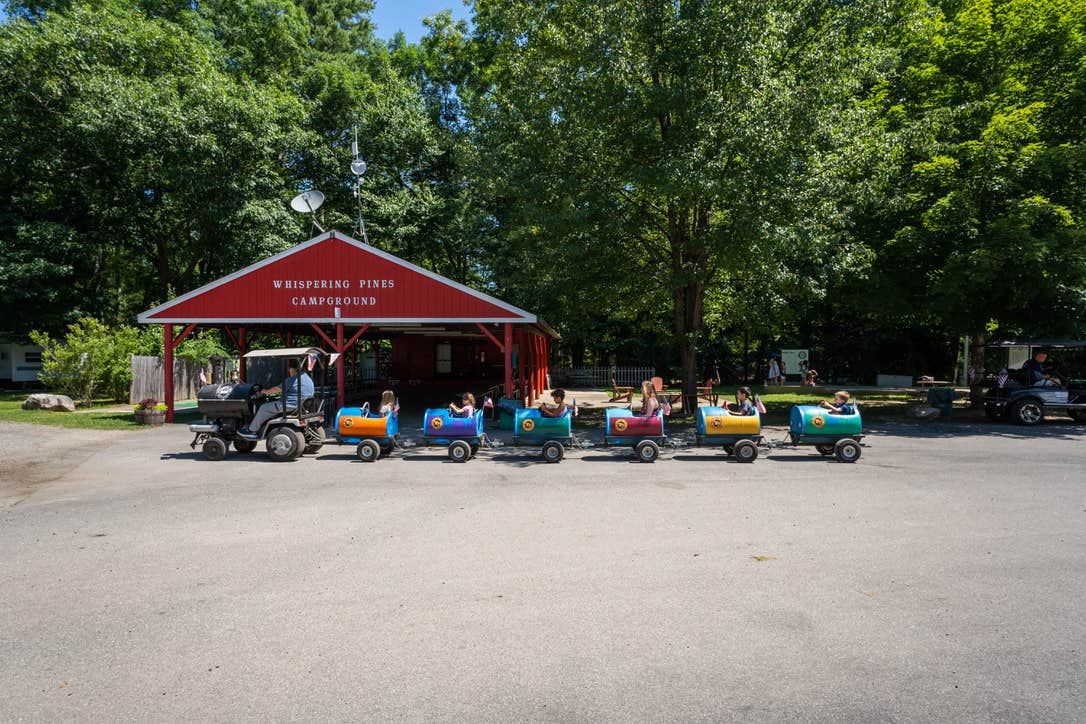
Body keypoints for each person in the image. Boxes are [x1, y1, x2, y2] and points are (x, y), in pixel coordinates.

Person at [242, 359, 314, 436]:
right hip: (301, 405)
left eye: (289, 369)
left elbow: (276, 390)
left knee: (263, 407)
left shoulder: (293, 379)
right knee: (273, 404)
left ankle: (252, 430)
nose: (289, 371)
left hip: (290, 405)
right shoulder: (306, 377)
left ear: (292, 369)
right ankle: (264, 427)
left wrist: (264, 391)